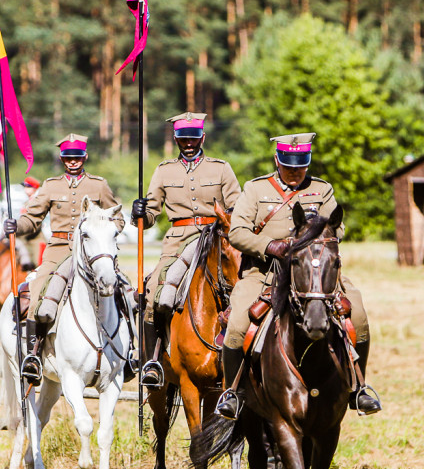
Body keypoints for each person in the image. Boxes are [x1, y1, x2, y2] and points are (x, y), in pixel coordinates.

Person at [216, 132, 380, 419]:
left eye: (301, 165)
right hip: (265, 273)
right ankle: (233, 393)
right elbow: (237, 231)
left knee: (360, 316)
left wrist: (309, 239)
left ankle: (359, 388)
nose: (294, 171)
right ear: (277, 160)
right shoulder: (255, 190)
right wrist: (270, 245)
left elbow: (336, 228)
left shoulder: (322, 190)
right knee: (239, 322)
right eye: (288, 165)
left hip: (315, 273)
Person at [2, 134, 124, 386]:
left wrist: (106, 231)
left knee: (125, 290)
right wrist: (17, 225)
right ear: (62, 158)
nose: (72, 162)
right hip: (58, 251)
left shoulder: (99, 186)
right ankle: (34, 356)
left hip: (92, 252)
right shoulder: (50, 186)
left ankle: (131, 354)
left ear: (85, 157)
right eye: (68, 158)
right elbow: (32, 219)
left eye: (77, 157)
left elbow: (118, 218)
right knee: (38, 292)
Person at [132, 112, 240, 388]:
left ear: (202, 137)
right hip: (178, 241)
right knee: (156, 290)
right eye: (183, 139)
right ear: (176, 139)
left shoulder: (221, 168)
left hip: (214, 238)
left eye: (193, 138)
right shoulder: (164, 170)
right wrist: (141, 213)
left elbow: (237, 207)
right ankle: (153, 359)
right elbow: (152, 214)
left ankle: (241, 356)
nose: (189, 143)